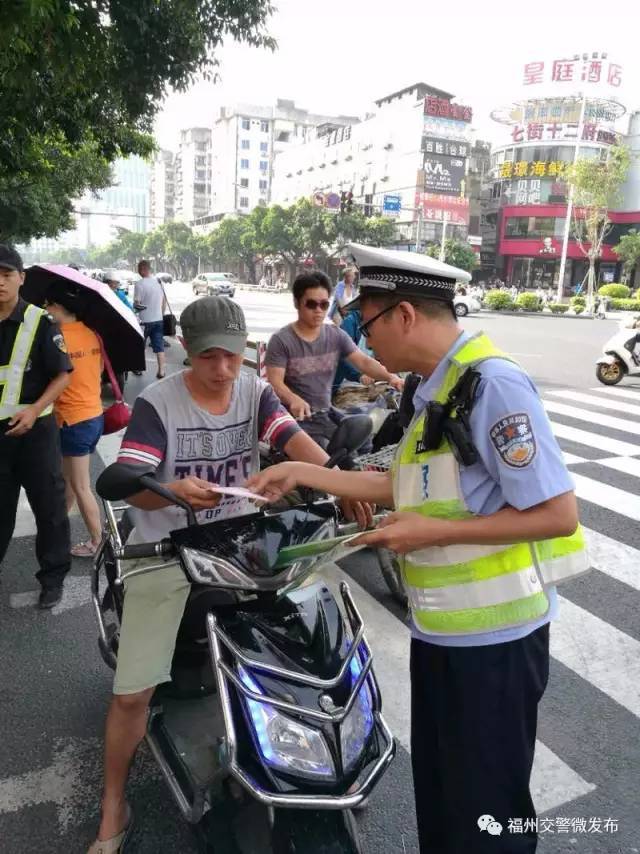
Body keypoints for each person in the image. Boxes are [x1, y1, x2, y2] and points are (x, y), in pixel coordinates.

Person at [249, 243, 588, 854]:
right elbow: (400, 485)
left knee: (487, 813)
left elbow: (557, 514)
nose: (362, 339)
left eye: (366, 321)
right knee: (443, 799)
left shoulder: (494, 385)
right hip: (441, 633)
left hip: (498, 646)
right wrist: (304, 474)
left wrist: (430, 532)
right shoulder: (437, 387)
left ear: (403, 315)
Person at [87, 296, 371, 853]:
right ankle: (113, 803)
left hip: (246, 544)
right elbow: (128, 474)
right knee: (132, 694)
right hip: (169, 548)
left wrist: (341, 481)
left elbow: (295, 442)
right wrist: (169, 490)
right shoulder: (157, 404)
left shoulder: (256, 391)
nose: (222, 370)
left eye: (233, 357)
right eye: (210, 356)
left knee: (311, 645)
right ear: (188, 352)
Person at [0, 245, 74, 609]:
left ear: (21, 278)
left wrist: (34, 410)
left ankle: (53, 578)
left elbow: (63, 376)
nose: (0, 282)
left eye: (6, 274)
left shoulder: (40, 322)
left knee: (49, 508)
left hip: (36, 433)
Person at [265, 270, 404, 448]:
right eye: (311, 304)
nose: (318, 311)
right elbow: (275, 382)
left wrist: (391, 377)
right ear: (297, 303)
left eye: (323, 305)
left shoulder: (335, 335)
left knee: (364, 441)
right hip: (295, 420)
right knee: (326, 453)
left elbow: (363, 362)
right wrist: (293, 399)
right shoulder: (281, 340)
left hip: (326, 413)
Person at [44, 283, 104, 557]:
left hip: (72, 419)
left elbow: (52, 378)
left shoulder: (56, 337)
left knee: (80, 485)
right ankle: (56, 524)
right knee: (69, 480)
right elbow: (99, 370)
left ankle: (97, 542)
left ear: (59, 308)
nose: (46, 309)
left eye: (48, 305)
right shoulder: (91, 333)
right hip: (94, 415)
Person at [133, 259, 166, 379]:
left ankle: (138, 369)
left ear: (142, 269)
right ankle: (161, 371)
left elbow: (137, 304)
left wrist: (135, 314)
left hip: (144, 321)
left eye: (138, 269)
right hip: (158, 319)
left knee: (139, 345)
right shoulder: (158, 282)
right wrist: (160, 315)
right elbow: (163, 302)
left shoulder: (140, 284)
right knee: (159, 346)